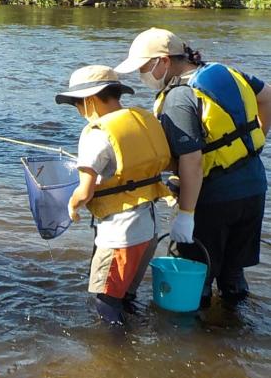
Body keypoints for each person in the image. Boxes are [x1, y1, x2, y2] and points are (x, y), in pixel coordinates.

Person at [114, 28, 271, 308]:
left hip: (213, 199)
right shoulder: (225, 71)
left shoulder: (178, 97)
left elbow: (192, 161)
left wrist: (185, 215)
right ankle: (236, 333)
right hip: (254, 187)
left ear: (163, 61)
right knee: (233, 274)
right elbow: (268, 97)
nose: (141, 76)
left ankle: (188, 340)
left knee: (192, 279)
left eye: (143, 67)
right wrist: (254, 144)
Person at [56, 66, 172, 323]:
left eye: (76, 104)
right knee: (126, 296)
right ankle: (135, 343)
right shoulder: (143, 119)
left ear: (89, 100)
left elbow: (84, 191)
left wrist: (72, 206)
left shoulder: (97, 134)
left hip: (120, 233)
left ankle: (113, 358)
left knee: (104, 302)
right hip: (149, 227)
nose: (78, 111)